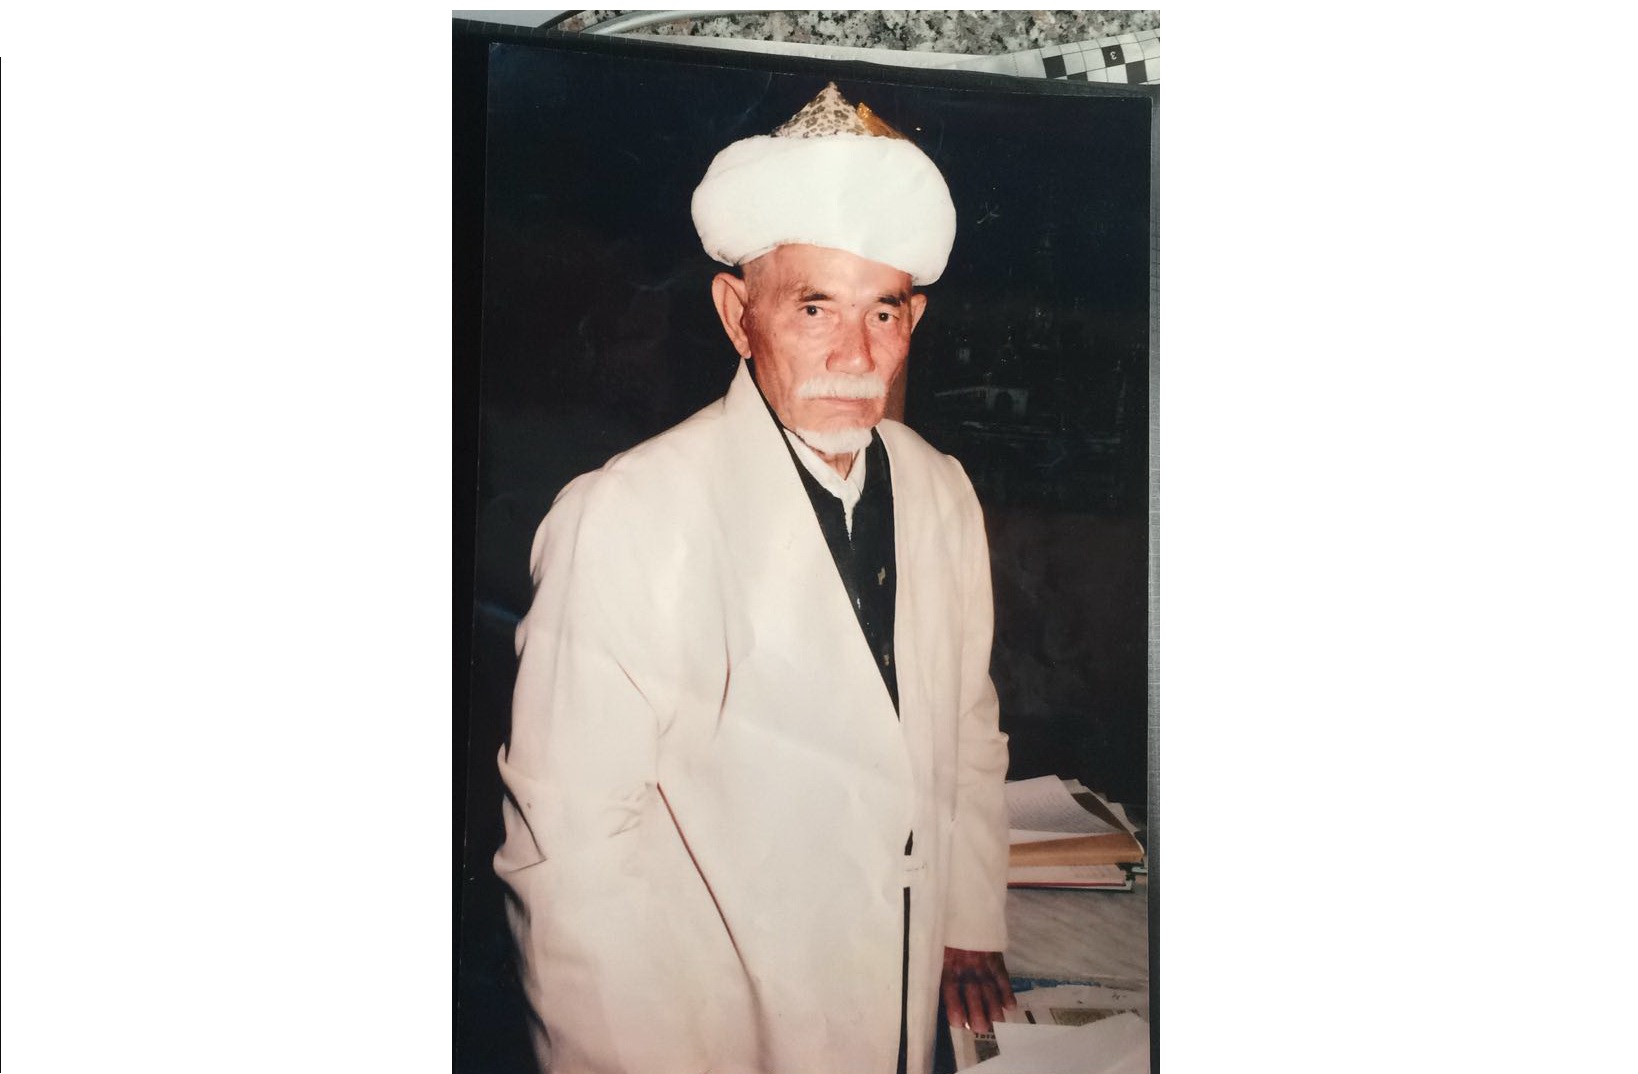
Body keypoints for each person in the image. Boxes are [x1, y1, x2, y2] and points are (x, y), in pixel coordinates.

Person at [495, 82, 1013, 1074]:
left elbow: (966, 725)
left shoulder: (939, 490)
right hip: (718, 1028)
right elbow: (570, 858)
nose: (855, 355)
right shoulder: (630, 513)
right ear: (739, 314)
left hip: (901, 1009)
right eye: (815, 307)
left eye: (883, 311)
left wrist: (967, 917)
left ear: (915, 318)